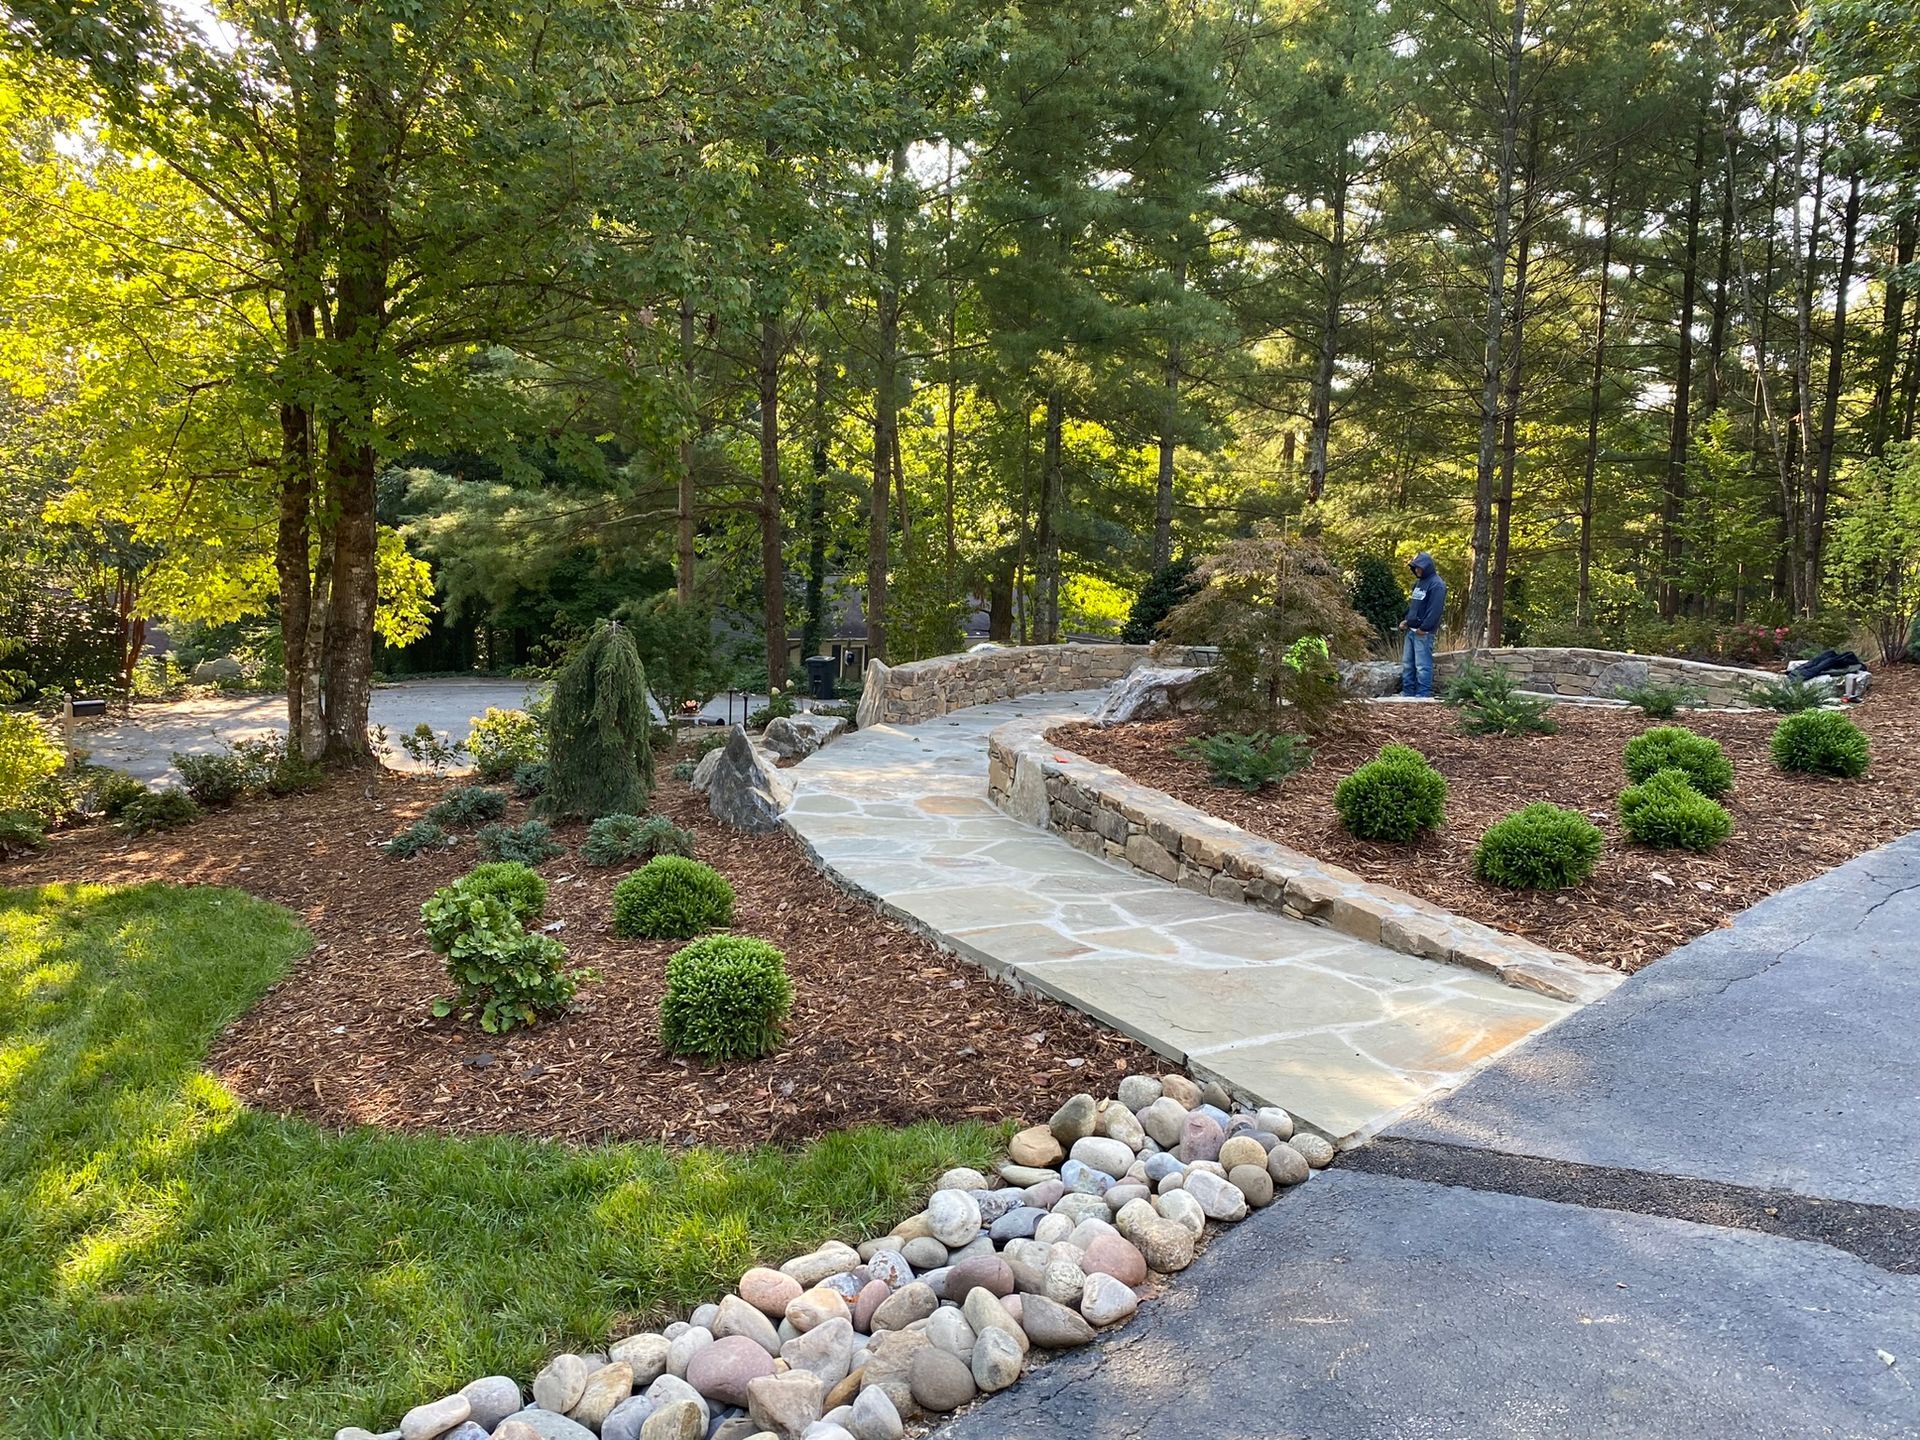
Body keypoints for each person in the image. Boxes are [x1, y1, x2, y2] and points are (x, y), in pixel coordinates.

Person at [1399, 552, 1447, 699]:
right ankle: (1407, 692)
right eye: (1415, 568)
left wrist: (1424, 628)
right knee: (1408, 664)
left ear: (1427, 567)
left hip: (1423, 633)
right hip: (1412, 630)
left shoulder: (1437, 585)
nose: (1417, 571)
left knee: (1422, 666)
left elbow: (1435, 610)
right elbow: (1415, 605)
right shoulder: (1419, 583)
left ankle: (1422, 695)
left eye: (1419, 568)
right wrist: (1407, 620)